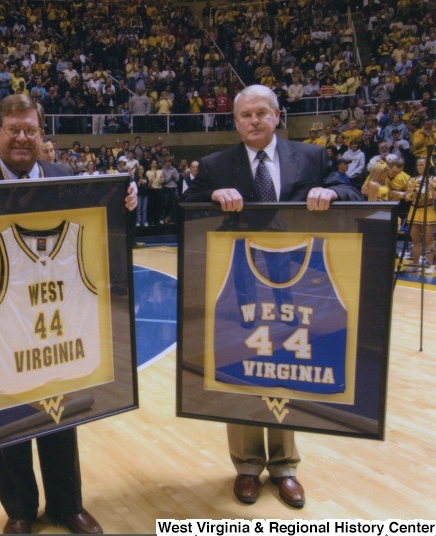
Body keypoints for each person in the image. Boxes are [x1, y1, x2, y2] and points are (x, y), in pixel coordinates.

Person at [0, 94, 136, 534]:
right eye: (13, 130)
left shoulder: (66, 177)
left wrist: (126, 202)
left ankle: (67, 504)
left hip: (54, 316)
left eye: (30, 130)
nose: (22, 138)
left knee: (62, 411)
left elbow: (102, 238)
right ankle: (20, 510)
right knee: (7, 415)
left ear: (43, 135)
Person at [182, 85, 361, 509]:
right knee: (242, 365)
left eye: (262, 113)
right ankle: (246, 465)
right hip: (238, 284)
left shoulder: (312, 157)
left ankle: (285, 466)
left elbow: (352, 192)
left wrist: (331, 193)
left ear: (277, 115)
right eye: (245, 115)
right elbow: (183, 206)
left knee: (287, 368)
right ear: (236, 121)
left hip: (299, 283)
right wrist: (209, 196)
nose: (253, 121)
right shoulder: (214, 165)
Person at [405, 157, 436, 273]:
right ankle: (415, 263)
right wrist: (411, 194)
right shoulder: (412, 180)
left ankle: (431, 265)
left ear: (428, 166)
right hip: (414, 210)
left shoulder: (433, 179)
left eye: (422, 165)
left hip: (427, 210)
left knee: (428, 240)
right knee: (415, 240)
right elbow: (407, 197)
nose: (420, 167)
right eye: (418, 165)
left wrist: (432, 190)